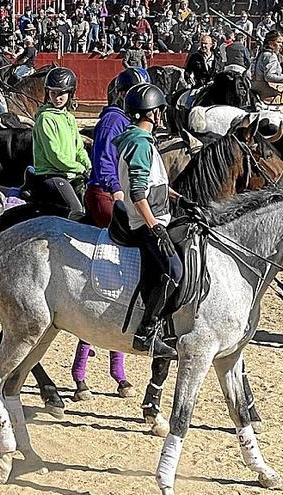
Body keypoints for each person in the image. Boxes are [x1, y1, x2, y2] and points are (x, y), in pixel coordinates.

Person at [71, 68, 149, 400]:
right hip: (104, 195)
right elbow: (104, 164)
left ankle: (116, 369)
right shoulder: (113, 121)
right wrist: (119, 195)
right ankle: (87, 369)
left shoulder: (131, 125)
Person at [113, 82, 187, 355]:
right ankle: (146, 331)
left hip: (156, 216)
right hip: (146, 222)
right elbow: (137, 193)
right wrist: (154, 227)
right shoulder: (141, 144)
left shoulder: (139, 141)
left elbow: (153, 179)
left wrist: (178, 197)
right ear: (153, 114)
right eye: (159, 110)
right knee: (175, 271)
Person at [27, 67, 91, 216]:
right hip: (51, 175)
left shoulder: (70, 118)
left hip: (70, 174)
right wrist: (81, 169)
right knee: (76, 210)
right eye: (53, 93)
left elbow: (79, 149)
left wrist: (89, 166)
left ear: (70, 93)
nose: (57, 98)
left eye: (61, 93)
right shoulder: (45, 119)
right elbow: (54, 156)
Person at [251, 30, 283, 105]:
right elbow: (269, 76)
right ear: (270, 43)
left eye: (281, 42)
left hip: (257, 85)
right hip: (264, 88)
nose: (281, 45)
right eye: (278, 42)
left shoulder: (263, 53)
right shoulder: (270, 56)